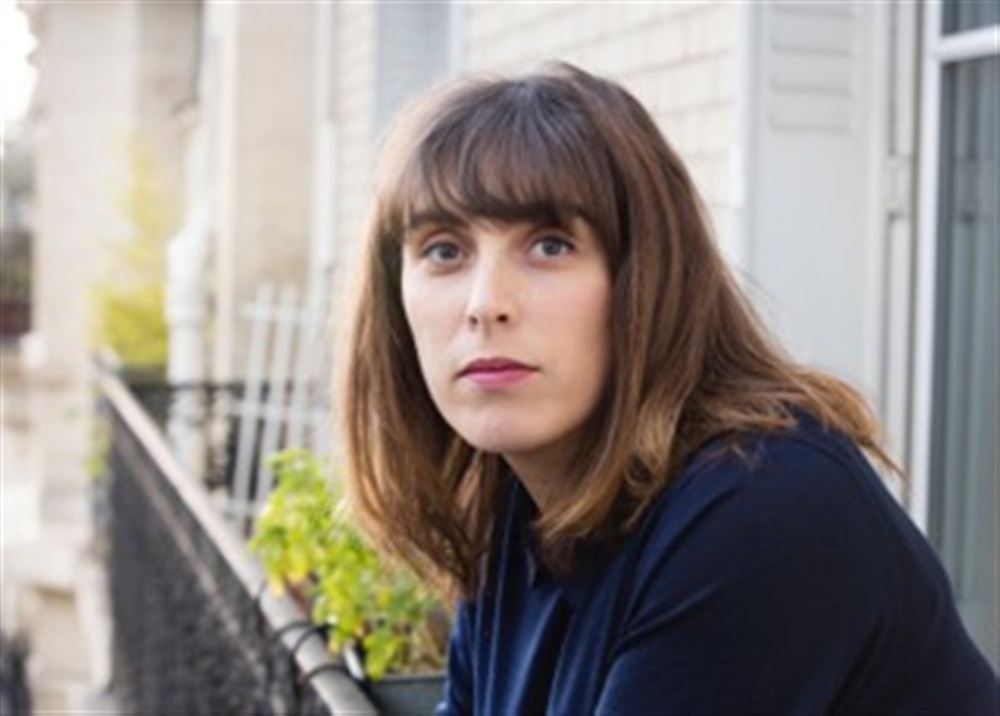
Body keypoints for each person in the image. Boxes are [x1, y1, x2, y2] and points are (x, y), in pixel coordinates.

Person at [340, 62, 997, 714]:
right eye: (445, 251)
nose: (486, 303)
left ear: (647, 280)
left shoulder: (761, 505)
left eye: (550, 246)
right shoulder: (520, 502)